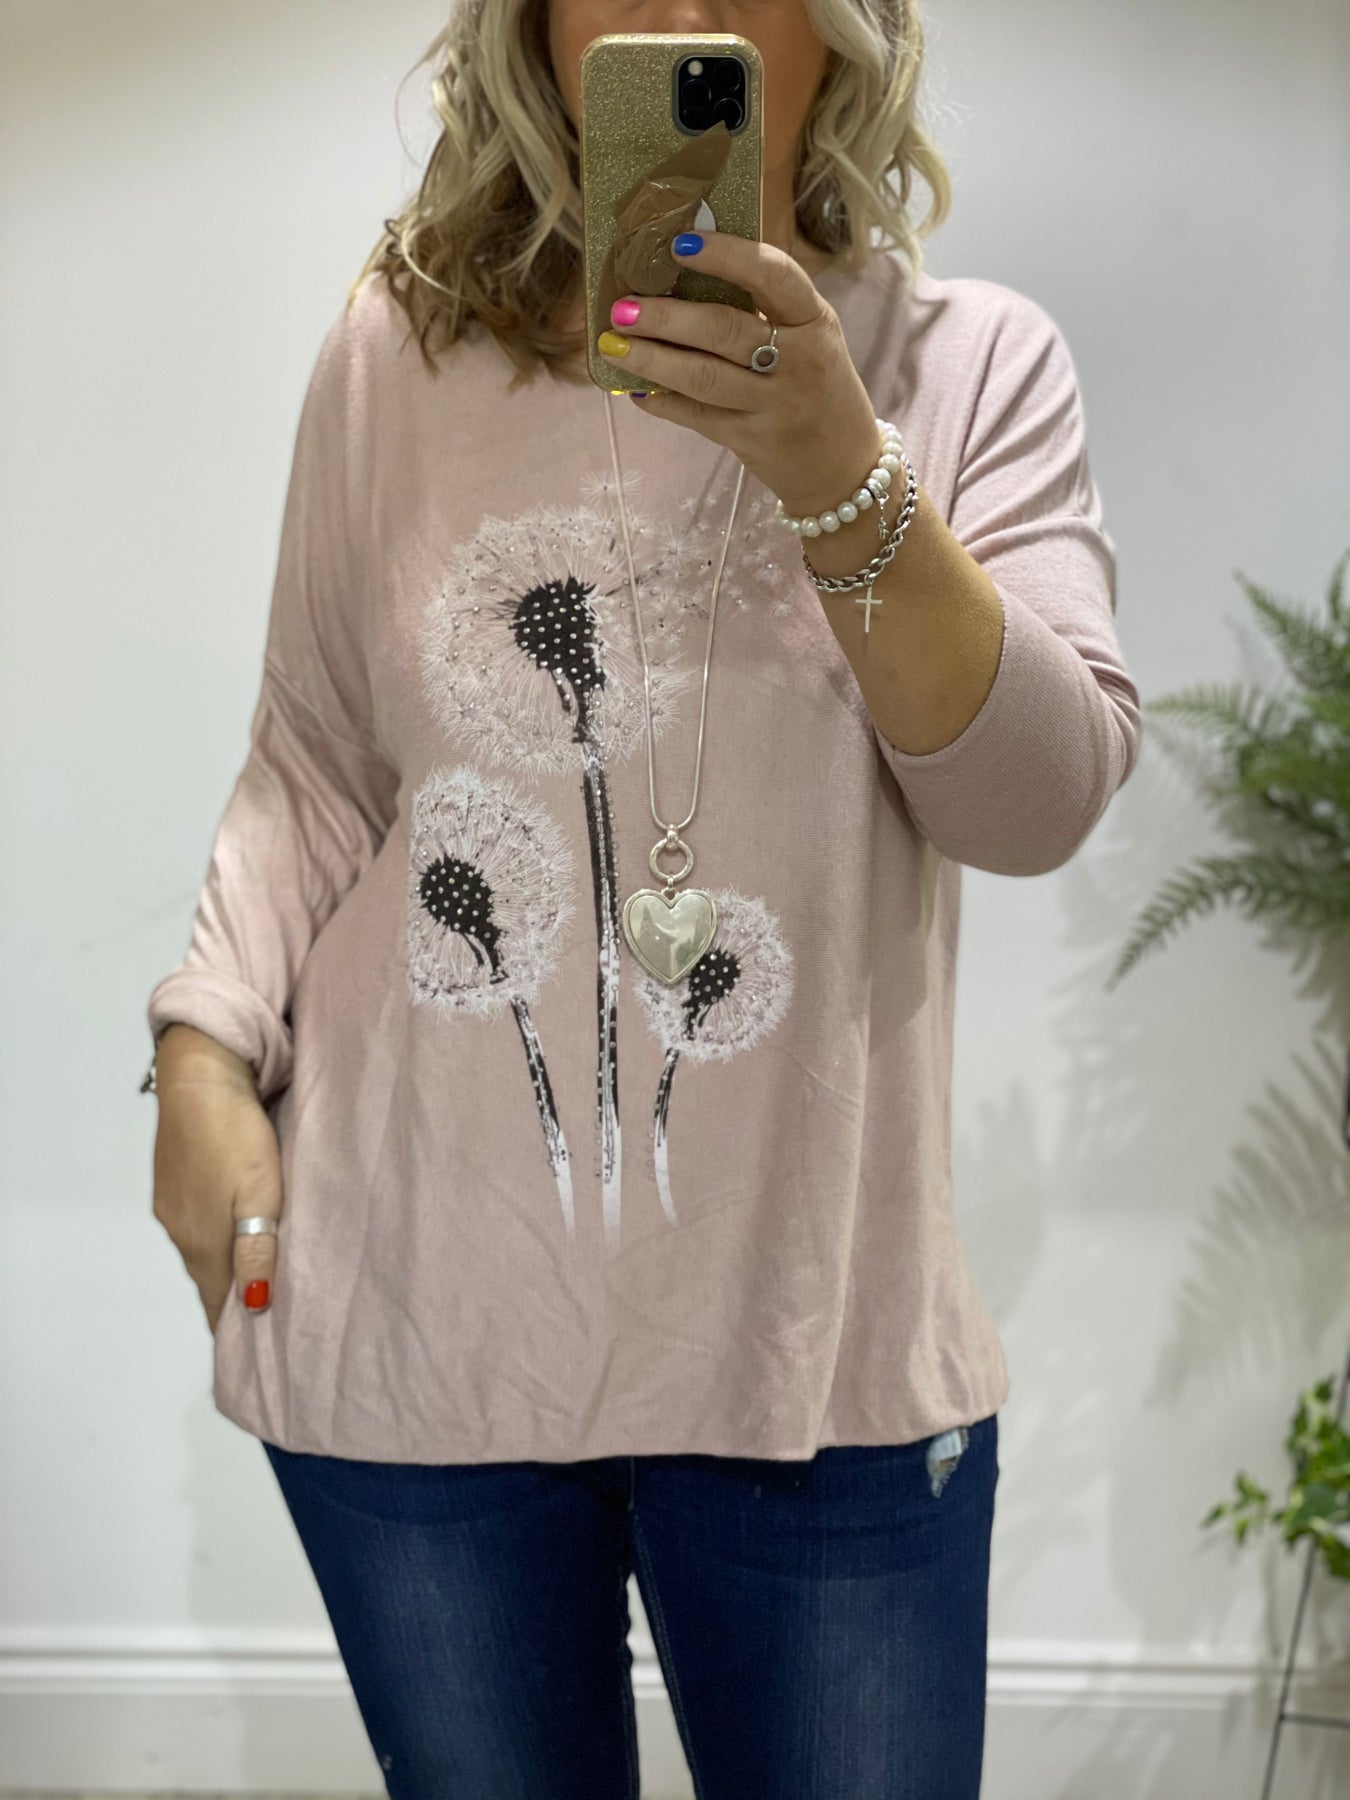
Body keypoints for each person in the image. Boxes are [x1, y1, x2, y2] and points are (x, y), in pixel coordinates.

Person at [144, 2, 1142, 1795]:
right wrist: (202, 1053)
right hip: (415, 1317)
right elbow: (313, 761)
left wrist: (839, 473)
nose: (678, 5)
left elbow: (1034, 802)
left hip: (810, 1346)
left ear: (838, 31)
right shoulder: (392, 356)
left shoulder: (968, 364)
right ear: (535, 28)